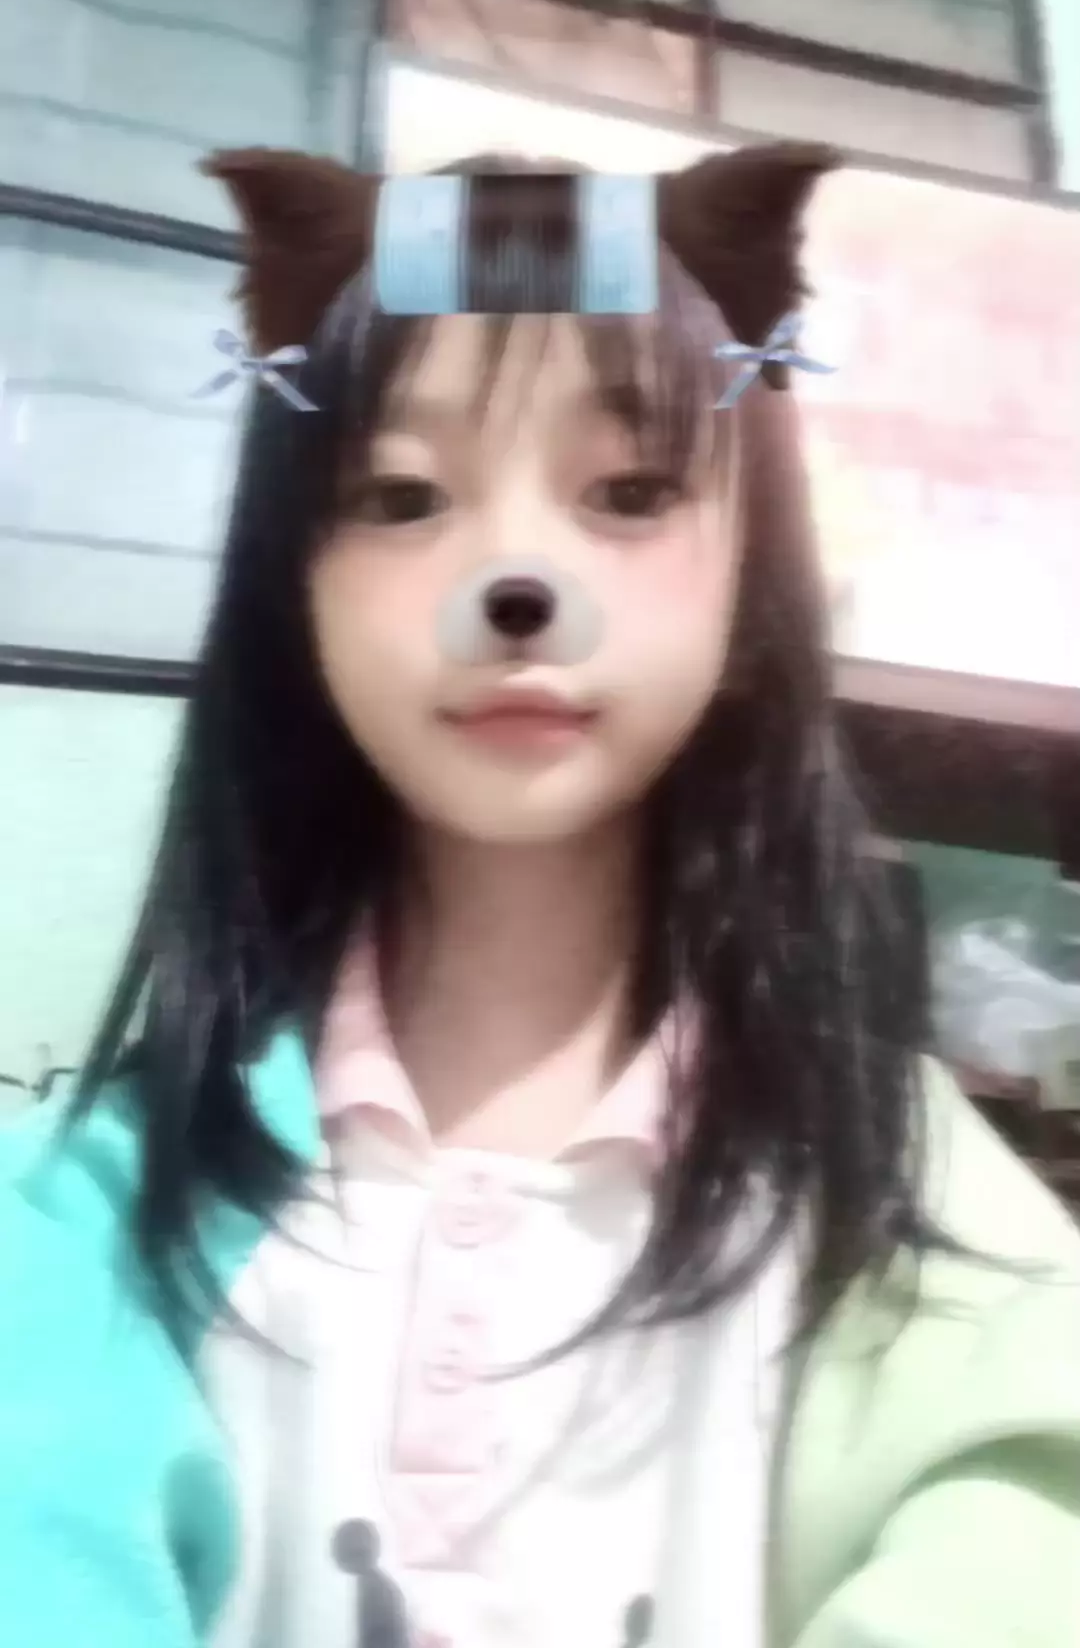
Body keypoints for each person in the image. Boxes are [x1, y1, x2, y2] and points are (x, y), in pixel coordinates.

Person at [1, 143, 1078, 1648]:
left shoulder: (901, 1188)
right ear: (294, 587)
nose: (514, 577)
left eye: (629, 489)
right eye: (402, 494)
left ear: (749, 575)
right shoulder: (102, 1208)